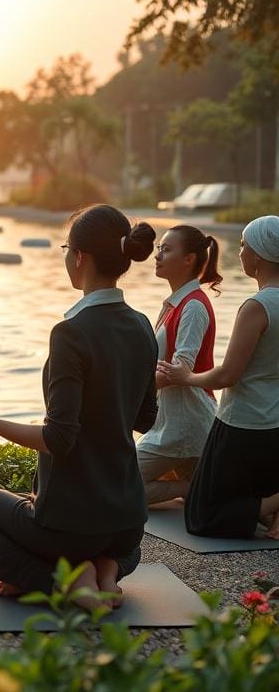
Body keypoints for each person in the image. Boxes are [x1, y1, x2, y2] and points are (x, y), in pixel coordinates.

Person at [0, 204, 158, 611]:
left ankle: (63, 582)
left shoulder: (71, 332)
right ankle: (106, 570)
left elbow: (58, 438)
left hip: (71, 526)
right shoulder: (143, 325)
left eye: (65, 249)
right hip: (128, 525)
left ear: (80, 257)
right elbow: (147, 419)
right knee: (119, 548)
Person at [159, 215, 279, 539]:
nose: (239, 253)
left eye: (243, 246)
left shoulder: (257, 306)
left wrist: (186, 377)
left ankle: (273, 503)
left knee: (201, 516)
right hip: (274, 425)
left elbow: (228, 375)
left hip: (243, 423)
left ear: (258, 255)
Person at [137, 225, 222, 505]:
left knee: (120, 485)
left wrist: (128, 389)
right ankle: (192, 487)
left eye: (166, 249)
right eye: (159, 249)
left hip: (183, 426)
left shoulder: (193, 306)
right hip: (171, 421)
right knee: (216, 497)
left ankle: (187, 488)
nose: (157, 255)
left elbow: (178, 369)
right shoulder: (177, 302)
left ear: (189, 259)